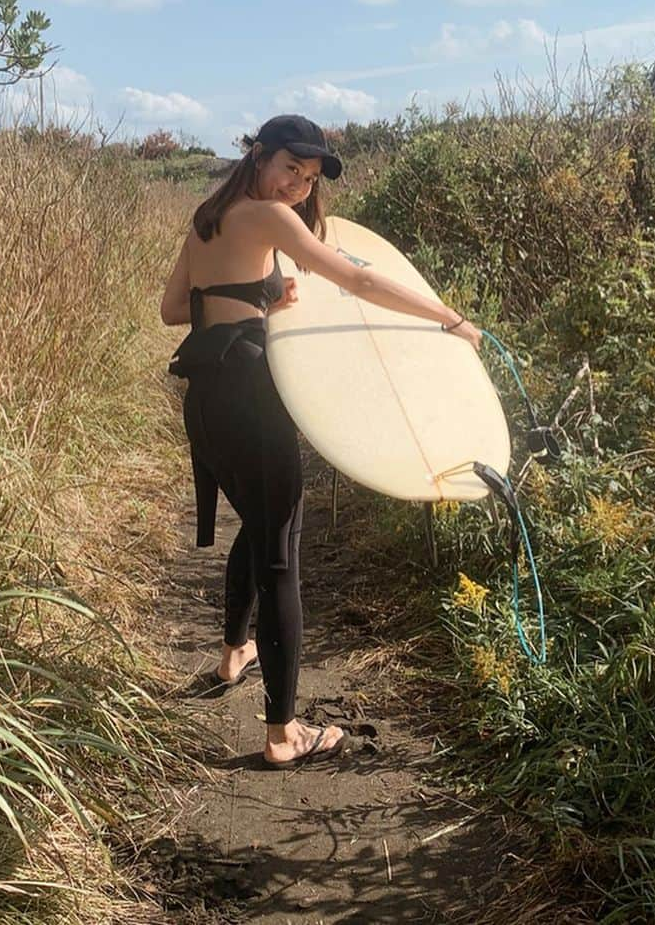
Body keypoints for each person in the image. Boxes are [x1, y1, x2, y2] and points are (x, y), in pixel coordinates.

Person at [160, 114, 481, 770]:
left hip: (208, 403)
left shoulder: (207, 216)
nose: (297, 188)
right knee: (281, 549)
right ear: (258, 156)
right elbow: (357, 280)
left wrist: (259, 296)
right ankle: (283, 734)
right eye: (290, 169)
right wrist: (449, 318)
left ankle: (233, 654)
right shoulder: (273, 218)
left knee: (256, 525)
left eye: (308, 180)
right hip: (252, 396)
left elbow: (175, 309)